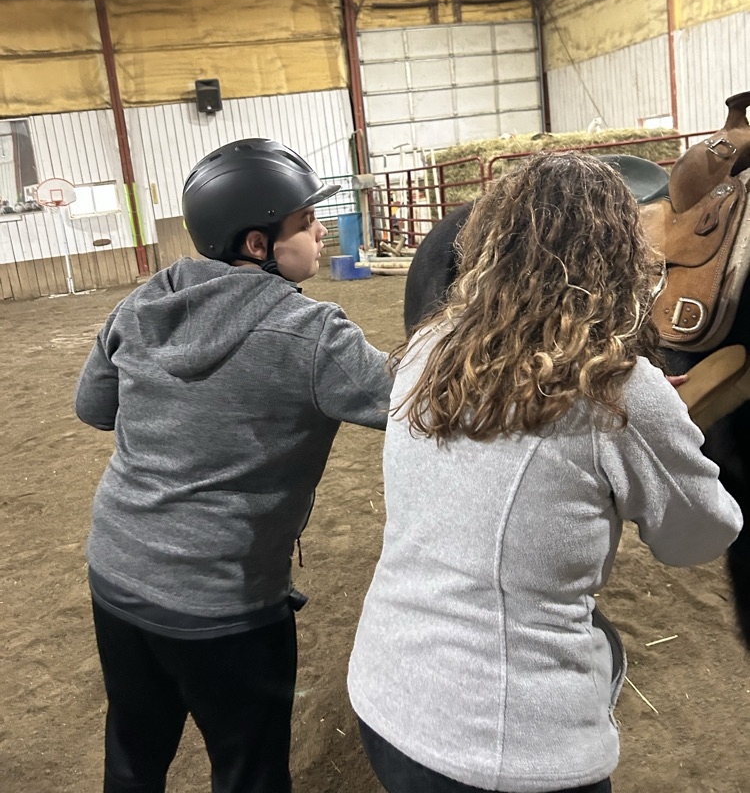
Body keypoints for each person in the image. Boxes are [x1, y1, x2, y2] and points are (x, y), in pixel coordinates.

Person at [347, 151, 743, 793]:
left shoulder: (428, 347)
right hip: (508, 747)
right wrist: (667, 428)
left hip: (385, 691)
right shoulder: (620, 389)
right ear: (622, 254)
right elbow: (700, 536)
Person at [75, 138, 393, 793]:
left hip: (117, 571)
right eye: (305, 222)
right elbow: (418, 400)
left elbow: (94, 408)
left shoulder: (143, 302)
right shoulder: (312, 333)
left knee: (133, 752)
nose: (320, 230)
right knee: (249, 772)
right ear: (257, 244)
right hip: (224, 602)